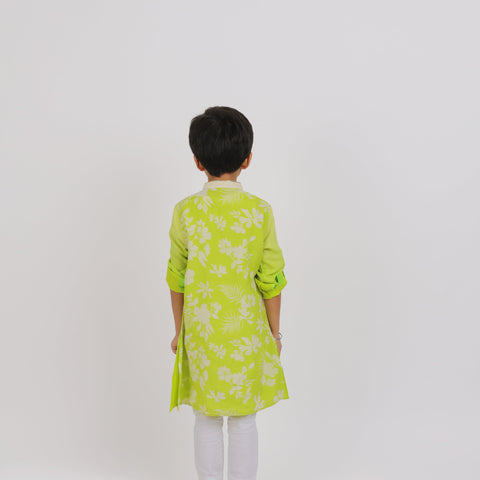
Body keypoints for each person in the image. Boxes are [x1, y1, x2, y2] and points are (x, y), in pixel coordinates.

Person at [166, 106, 289, 480]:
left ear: (197, 160)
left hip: (201, 332)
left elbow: (176, 277)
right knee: (243, 419)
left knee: (205, 417)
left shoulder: (186, 211)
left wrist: (180, 330)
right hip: (246, 333)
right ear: (247, 158)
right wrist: (274, 333)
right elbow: (271, 279)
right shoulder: (259, 211)